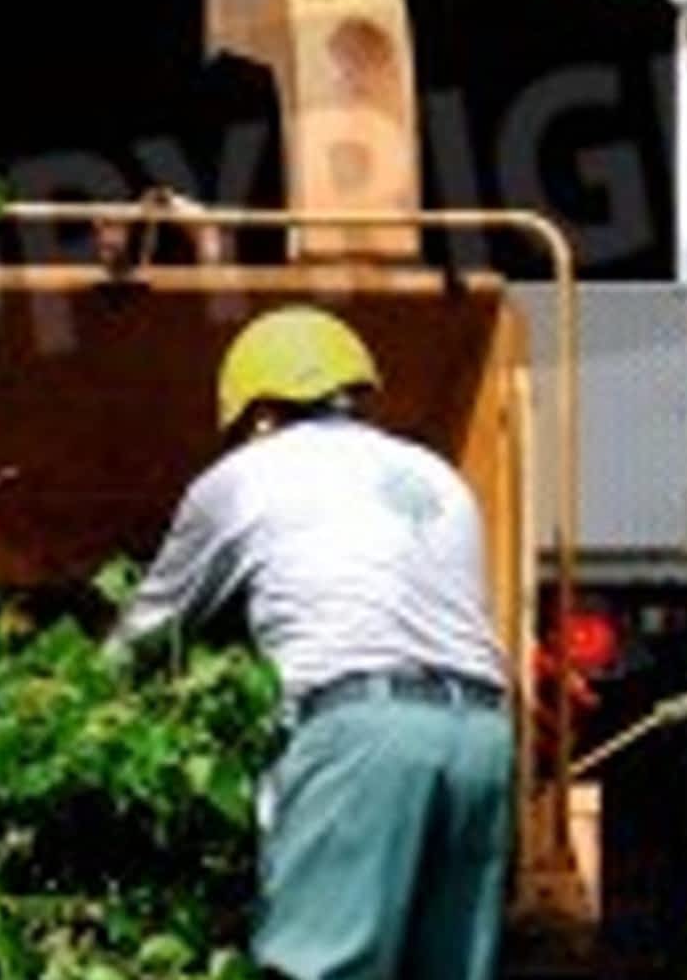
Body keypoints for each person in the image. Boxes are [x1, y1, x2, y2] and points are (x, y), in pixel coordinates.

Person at [112, 305, 515, 980]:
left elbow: (151, 628)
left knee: (320, 969)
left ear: (262, 412)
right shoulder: (438, 476)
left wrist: (72, 692)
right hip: (481, 740)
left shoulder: (243, 478)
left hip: (363, 738)